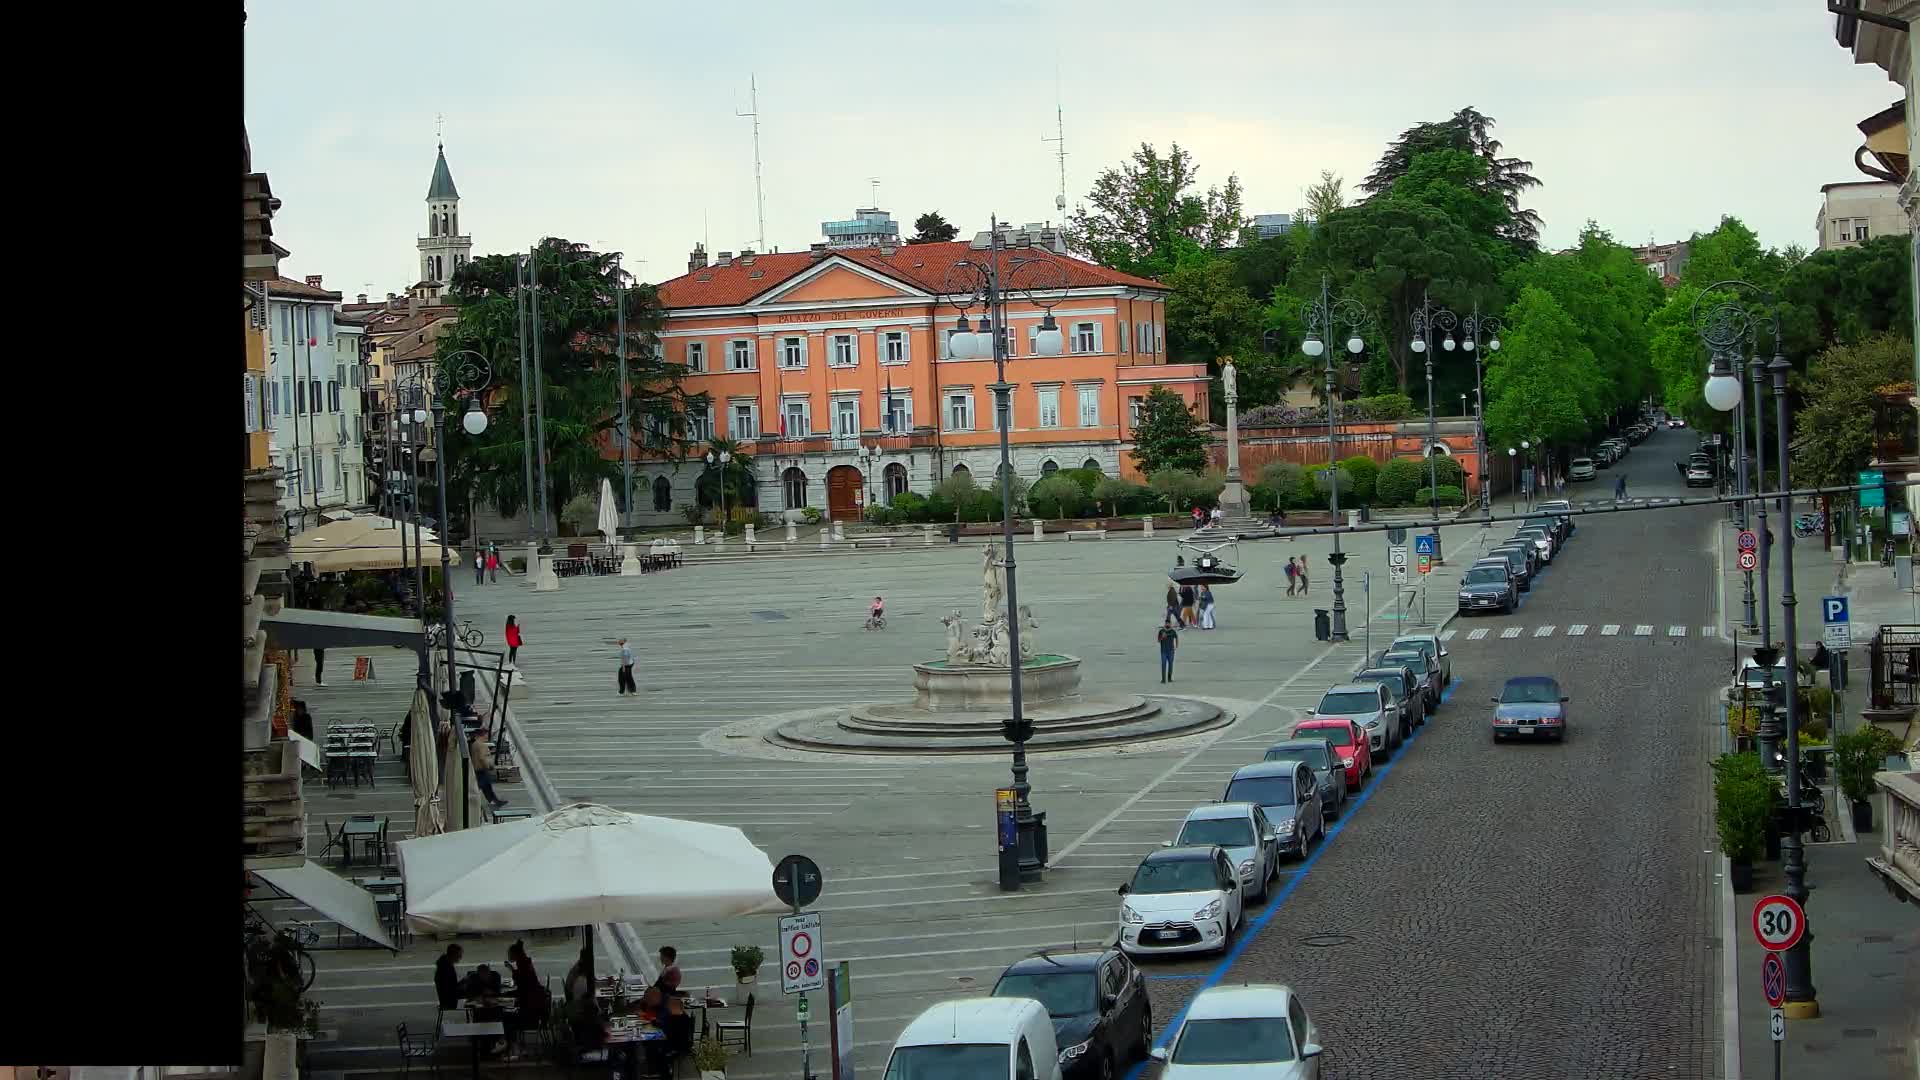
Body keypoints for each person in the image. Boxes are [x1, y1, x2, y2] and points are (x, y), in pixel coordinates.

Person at [470, 727, 508, 809]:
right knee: (481, 786)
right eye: (486, 735)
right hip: (481, 769)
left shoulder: (474, 744)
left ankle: (495, 801)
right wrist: (489, 767)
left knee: (487, 787)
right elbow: (482, 758)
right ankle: (493, 801)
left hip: (476, 769)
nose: (487, 737)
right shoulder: (481, 745)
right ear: (482, 735)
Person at [434, 943, 465, 1010]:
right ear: (453, 955)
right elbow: (451, 988)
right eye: (459, 955)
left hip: (448, 996)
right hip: (449, 999)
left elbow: (451, 985)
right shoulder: (446, 969)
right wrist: (462, 984)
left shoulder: (444, 964)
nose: (460, 957)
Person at [1157, 618, 1179, 683]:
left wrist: (1176, 646)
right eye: (1166, 623)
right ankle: (1163, 679)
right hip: (1163, 651)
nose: (1168, 624)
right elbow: (1158, 640)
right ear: (1165, 623)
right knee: (1163, 664)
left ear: (1170, 624)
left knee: (1170, 665)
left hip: (1171, 651)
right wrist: (1162, 637)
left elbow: (1176, 637)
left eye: (1169, 623)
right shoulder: (1161, 631)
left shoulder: (1172, 631)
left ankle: (1169, 678)